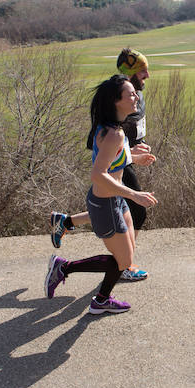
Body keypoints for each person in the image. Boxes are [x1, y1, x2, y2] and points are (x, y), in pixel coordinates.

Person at [44, 75, 157, 314]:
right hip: (106, 203)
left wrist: (136, 158)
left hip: (114, 200)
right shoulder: (113, 134)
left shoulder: (113, 129)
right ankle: (65, 269)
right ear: (117, 101)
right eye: (130, 94)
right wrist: (134, 195)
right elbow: (98, 174)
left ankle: (101, 298)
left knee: (126, 254)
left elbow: (113, 158)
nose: (136, 97)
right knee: (124, 261)